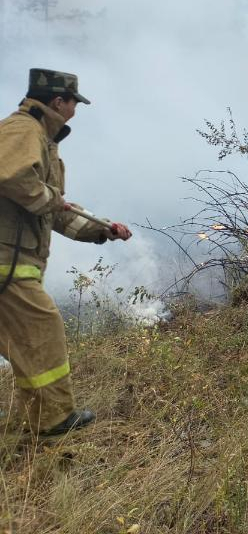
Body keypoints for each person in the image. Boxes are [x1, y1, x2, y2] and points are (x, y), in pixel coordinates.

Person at [0, 69, 132, 437]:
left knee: (24, 344)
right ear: (58, 101)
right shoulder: (23, 130)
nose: (75, 109)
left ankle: (38, 418)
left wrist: (100, 231)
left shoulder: (44, 142)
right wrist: (50, 198)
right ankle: (54, 419)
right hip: (8, 263)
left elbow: (53, 212)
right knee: (42, 333)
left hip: (13, 262)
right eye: (74, 102)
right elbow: (11, 178)